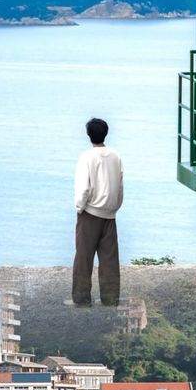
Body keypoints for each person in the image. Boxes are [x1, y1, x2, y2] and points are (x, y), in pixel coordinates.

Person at [72, 118, 123, 306]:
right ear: (105, 133)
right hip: (110, 214)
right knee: (109, 259)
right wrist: (115, 207)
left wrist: (80, 207)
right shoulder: (116, 156)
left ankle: (82, 298)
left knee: (83, 258)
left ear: (88, 135)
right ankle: (110, 299)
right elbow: (120, 186)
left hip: (90, 213)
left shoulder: (87, 157)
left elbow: (83, 188)